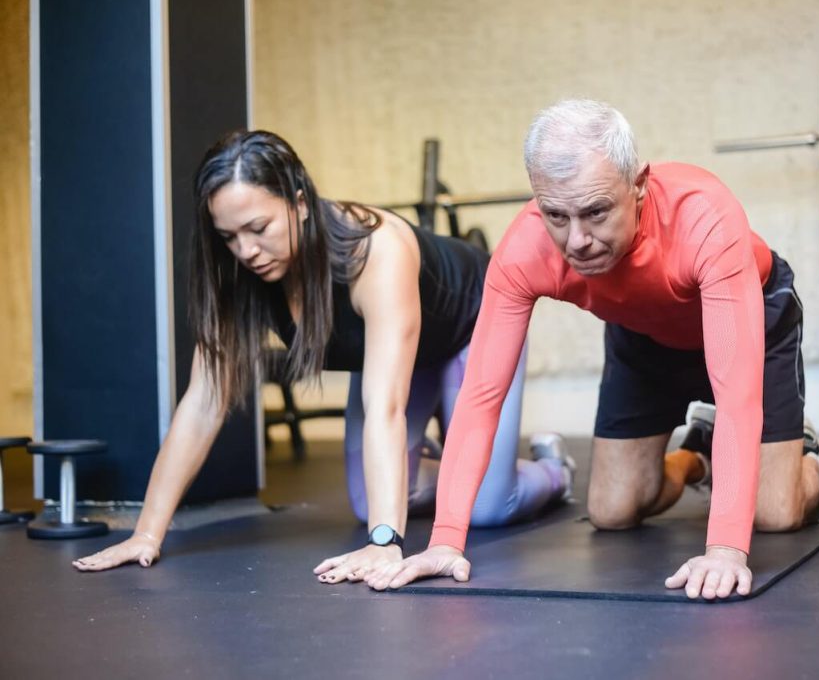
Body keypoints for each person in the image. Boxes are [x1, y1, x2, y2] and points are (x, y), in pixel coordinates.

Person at [365, 99, 819, 600]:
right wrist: (445, 541)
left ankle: (812, 460)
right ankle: (696, 456)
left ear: (638, 186)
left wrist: (724, 549)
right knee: (614, 511)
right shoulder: (525, 251)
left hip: (750, 314)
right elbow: (482, 395)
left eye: (595, 212)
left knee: (774, 515)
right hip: (643, 332)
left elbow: (738, 396)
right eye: (556, 214)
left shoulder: (704, 218)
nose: (577, 241)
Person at [71, 130, 573, 581]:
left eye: (258, 227)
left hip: (471, 328)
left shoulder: (374, 251)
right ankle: (466, 462)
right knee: (367, 502)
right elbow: (202, 403)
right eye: (229, 237)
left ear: (300, 203)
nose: (245, 250)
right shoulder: (239, 277)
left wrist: (385, 543)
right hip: (404, 353)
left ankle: (552, 469)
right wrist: (147, 535)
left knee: (484, 506)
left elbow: (385, 407)